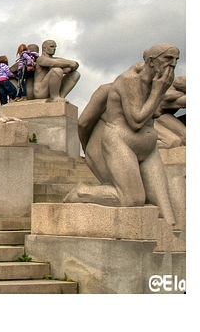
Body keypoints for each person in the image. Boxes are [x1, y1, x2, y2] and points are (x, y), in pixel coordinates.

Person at [65, 44, 179, 225]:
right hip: (122, 141)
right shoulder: (128, 81)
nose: (172, 65)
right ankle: (82, 192)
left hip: (148, 146)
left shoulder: (157, 82)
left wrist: (158, 90)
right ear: (151, 61)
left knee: (167, 213)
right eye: (168, 59)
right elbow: (135, 121)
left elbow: (155, 113)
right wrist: (89, 150)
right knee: (132, 198)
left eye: (175, 60)